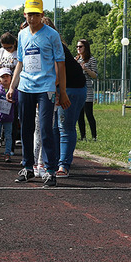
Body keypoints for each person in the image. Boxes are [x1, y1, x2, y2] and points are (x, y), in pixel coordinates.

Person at [7, 0, 69, 186]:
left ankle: (50, 170)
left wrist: (63, 91)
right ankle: (27, 167)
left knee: (45, 129)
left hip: (46, 88)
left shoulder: (52, 35)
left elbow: (60, 63)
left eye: (36, 15)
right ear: (24, 14)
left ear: (42, 15)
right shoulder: (22, 35)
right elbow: (20, 62)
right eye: (29, 15)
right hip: (25, 87)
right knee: (25, 128)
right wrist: (12, 86)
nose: (32, 19)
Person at [55, 34, 88, 178]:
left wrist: (59, 92)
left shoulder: (55, 46)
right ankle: (55, 162)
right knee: (54, 127)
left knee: (65, 126)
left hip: (72, 88)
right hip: (62, 86)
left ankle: (63, 165)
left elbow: (57, 71)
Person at [0, 67, 17, 162]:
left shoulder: (14, 91)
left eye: (7, 76)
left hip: (9, 117)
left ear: (11, 78)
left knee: (8, 136)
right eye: (3, 77)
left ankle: (7, 153)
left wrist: (13, 100)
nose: (5, 78)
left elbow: (17, 102)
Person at [75, 39, 98, 139]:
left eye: (80, 46)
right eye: (77, 47)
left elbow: (95, 75)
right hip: (78, 89)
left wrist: (86, 69)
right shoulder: (76, 59)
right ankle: (82, 136)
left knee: (89, 114)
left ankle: (94, 136)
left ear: (85, 47)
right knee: (79, 115)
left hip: (87, 89)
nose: (78, 49)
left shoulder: (91, 59)